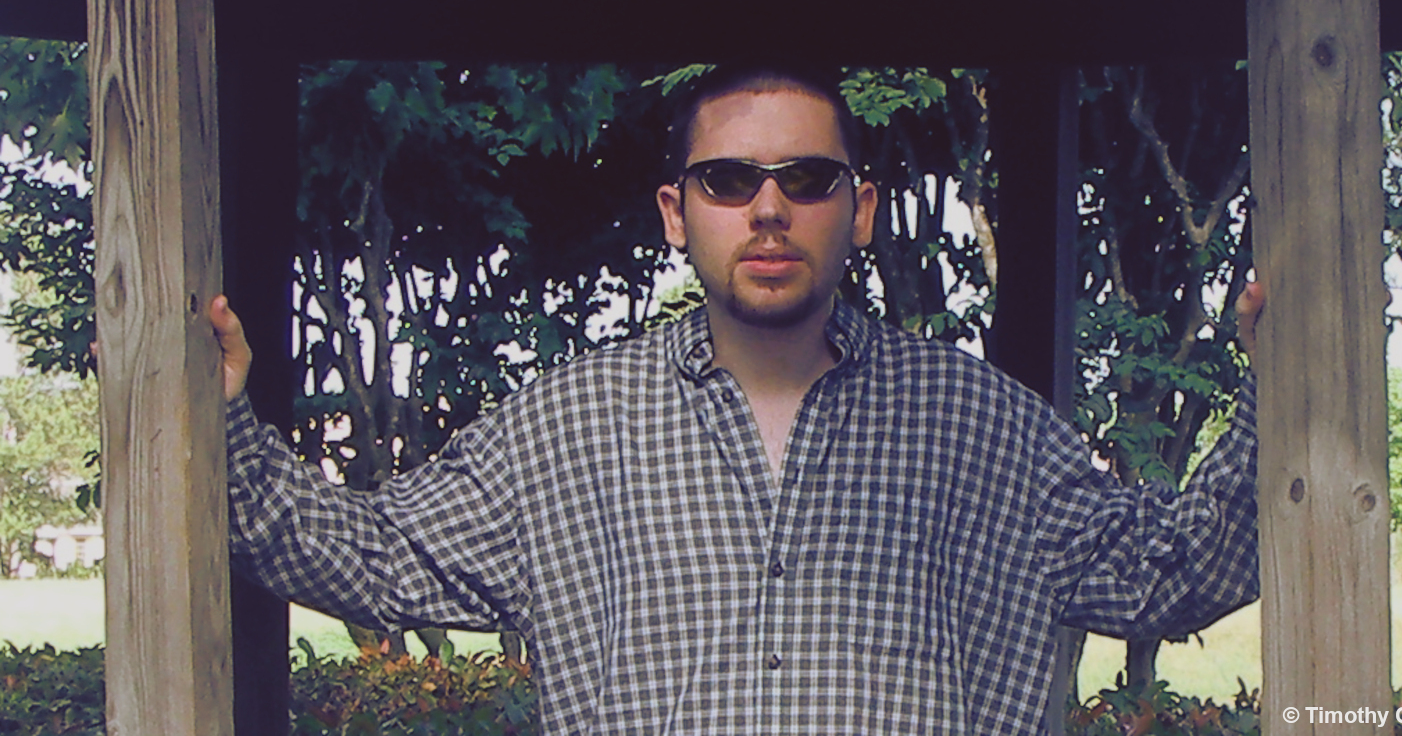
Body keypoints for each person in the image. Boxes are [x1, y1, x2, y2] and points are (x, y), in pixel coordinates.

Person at [213, 64, 1266, 734]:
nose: (769, 207)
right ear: (677, 213)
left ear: (860, 212)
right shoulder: (571, 430)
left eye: (809, 179)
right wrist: (214, 421)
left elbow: (1170, 573)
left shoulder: (985, 428)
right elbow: (368, 552)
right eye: (727, 182)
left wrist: (1281, 403)